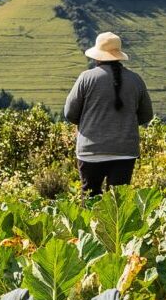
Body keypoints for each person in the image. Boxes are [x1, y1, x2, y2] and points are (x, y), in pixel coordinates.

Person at [62, 31, 153, 194]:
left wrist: (87, 122)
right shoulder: (135, 79)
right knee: (118, 203)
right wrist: (125, 123)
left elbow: (70, 113)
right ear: (118, 56)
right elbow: (146, 115)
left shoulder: (86, 78)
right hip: (124, 151)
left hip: (91, 150)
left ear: (97, 56)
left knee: (90, 200)